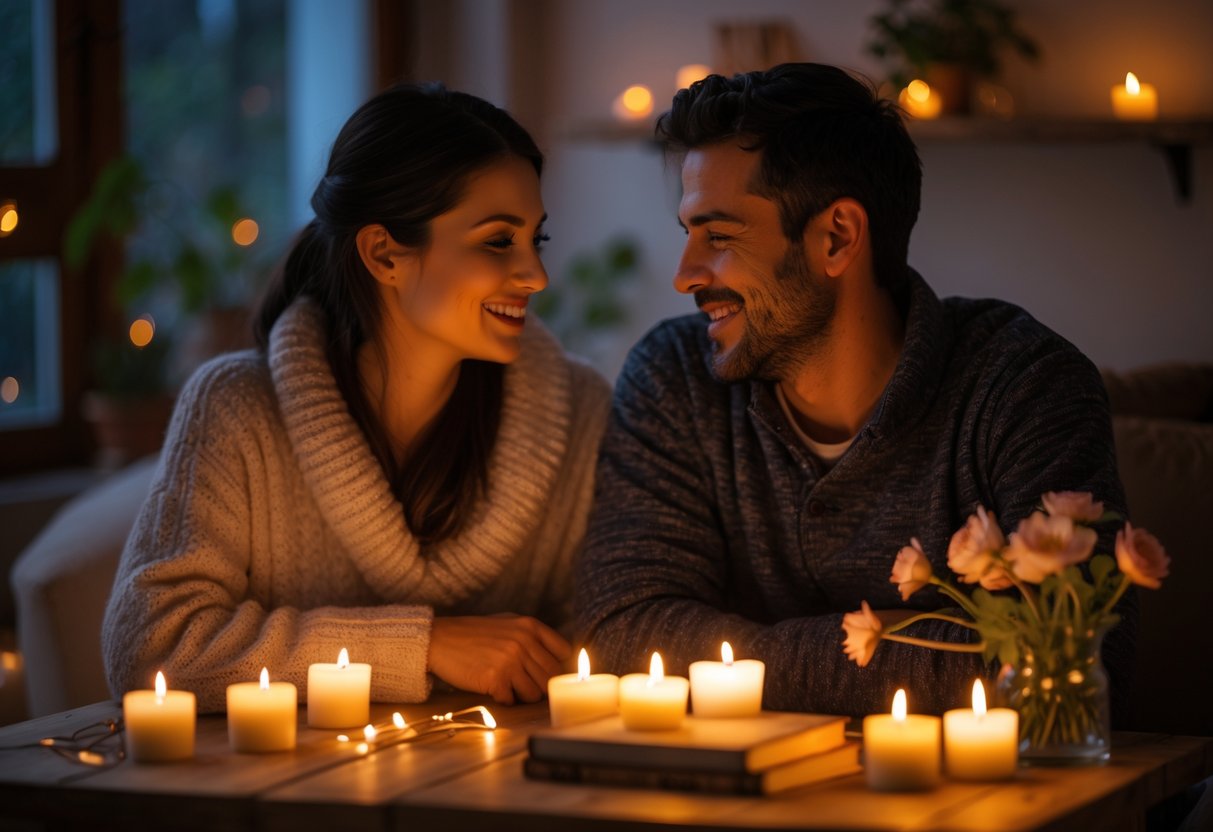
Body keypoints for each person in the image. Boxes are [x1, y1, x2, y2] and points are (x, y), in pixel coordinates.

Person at [575, 63, 1135, 721]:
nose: (683, 275)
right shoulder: (674, 378)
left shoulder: (1020, 383)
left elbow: (1064, 663)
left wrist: (735, 659)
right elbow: (620, 635)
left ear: (835, 237)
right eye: (687, 234)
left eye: (718, 236)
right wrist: (925, 647)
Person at [103, 83, 611, 713]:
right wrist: (423, 646)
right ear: (384, 253)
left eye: (537, 239)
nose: (536, 275)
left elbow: (604, 633)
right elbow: (150, 647)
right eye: (498, 241)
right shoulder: (237, 409)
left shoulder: (582, 409)